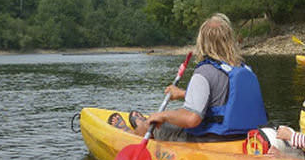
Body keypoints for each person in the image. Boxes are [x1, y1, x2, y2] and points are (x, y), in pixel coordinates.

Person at [112, 13, 268, 142]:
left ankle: (132, 131)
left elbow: (191, 119)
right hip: (242, 137)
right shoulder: (243, 69)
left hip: (210, 139)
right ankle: (141, 124)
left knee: (150, 125)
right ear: (229, 40)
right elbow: (224, 102)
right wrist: (183, 94)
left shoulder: (204, 72)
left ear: (202, 42)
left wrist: (163, 115)